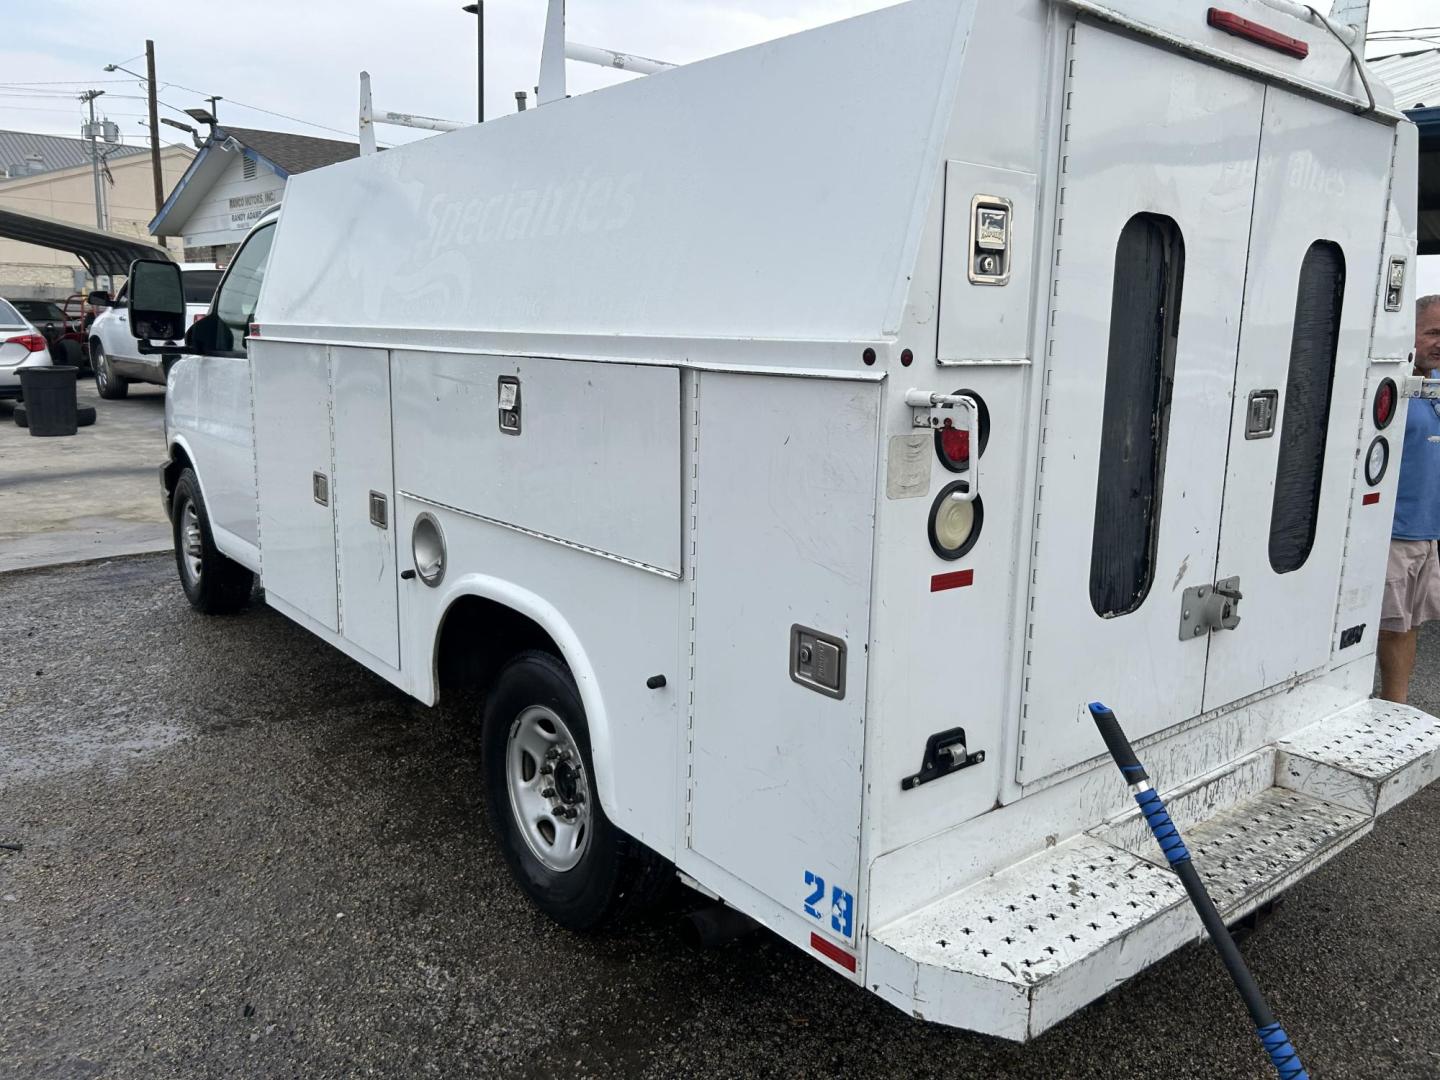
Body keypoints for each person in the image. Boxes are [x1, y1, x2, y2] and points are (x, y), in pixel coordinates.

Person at [1378, 294, 1440, 703]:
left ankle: (1395, 707)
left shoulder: (1435, 384)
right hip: (1392, 529)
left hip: (1426, 530)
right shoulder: (1390, 384)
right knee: (1384, 623)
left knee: (1408, 624)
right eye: (1433, 332)